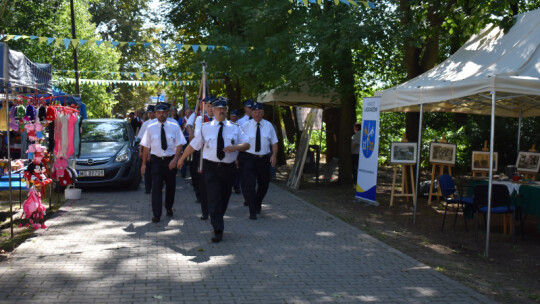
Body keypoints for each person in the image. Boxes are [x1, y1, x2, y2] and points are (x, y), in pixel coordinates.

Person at [177, 97, 249, 243]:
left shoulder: (235, 127)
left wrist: (236, 147)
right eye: (219, 109)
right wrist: (181, 158)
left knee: (224, 197)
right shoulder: (205, 127)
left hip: (228, 169)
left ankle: (217, 218)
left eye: (224, 109)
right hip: (211, 168)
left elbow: (247, 144)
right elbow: (193, 146)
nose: (221, 111)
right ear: (213, 111)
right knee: (214, 197)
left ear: (226, 111)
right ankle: (218, 229)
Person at [140, 103, 186, 223]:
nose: (161, 115)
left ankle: (169, 207)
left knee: (171, 187)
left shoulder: (174, 126)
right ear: (155, 114)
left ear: (167, 113)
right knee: (156, 187)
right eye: (159, 113)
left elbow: (180, 144)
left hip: (170, 160)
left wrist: (176, 159)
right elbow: (146, 146)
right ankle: (157, 214)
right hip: (156, 161)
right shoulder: (150, 127)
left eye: (164, 112)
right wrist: (144, 164)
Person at [239, 102, 278, 219]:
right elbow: (238, 142)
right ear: (251, 112)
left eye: (260, 112)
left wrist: (274, 155)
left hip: (263, 159)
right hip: (248, 158)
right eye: (255, 112)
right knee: (249, 185)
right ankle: (252, 209)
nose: (257, 114)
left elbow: (274, 142)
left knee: (264, 184)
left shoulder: (268, 125)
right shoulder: (245, 125)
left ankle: (257, 202)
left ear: (263, 113)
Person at [188, 96, 215, 220]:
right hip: (203, 155)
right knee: (203, 183)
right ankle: (205, 211)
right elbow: (200, 135)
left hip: (216, 155)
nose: (210, 108)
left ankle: (214, 209)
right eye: (208, 106)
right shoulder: (200, 119)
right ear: (204, 107)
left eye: (212, 106)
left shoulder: (221, 120)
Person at [138, 105, 156, 194]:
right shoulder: (145, 124)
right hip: (147, 149)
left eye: (151, 112)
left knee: (155, 170)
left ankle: (156, 186)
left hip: (156, 150)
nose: (149, 114)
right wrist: (140, 150)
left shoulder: (158, 123)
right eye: (148, 112)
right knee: (147, 170)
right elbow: (141, 138)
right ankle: (147, 188)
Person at [229, 109, 241, 193]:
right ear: (230, 116)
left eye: (236, 116)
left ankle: (236, 187)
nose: (234, 118)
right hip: (228, 151)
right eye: (233, 116)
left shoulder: (239, 126)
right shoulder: (226, 125)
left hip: (236, 150)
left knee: (237, 171)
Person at [179, 107, 193, 178]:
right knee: (184, 155)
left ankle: (192, 172)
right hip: (184, 139)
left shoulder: (194, 118)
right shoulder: (182, 119)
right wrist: (182, 127)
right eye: (188, 112)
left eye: (190, 112)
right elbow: (178, 129)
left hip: (192, 139)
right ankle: (183, 172)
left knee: (192, 157)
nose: (189, 114)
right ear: (185, 113)